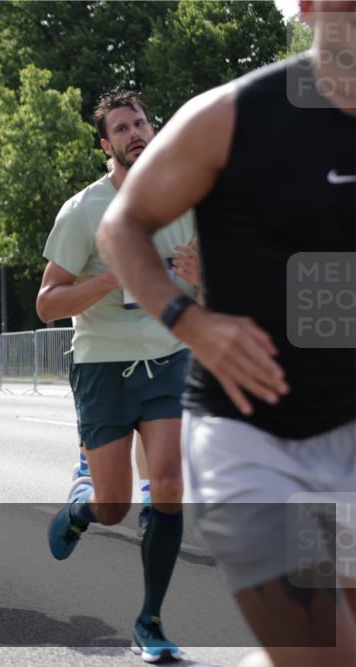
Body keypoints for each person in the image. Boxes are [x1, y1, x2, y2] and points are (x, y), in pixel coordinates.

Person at [98, 3, 355, 665]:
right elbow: (122, 225)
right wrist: (192, 321)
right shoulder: (234, 115)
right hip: (256, 444)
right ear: (306, 6)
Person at [37, 90, 197, 662]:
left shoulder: (183, 196)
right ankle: (83, 507)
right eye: (122, 128)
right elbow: (48, 303)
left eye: (141, 123)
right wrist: (110, 276)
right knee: (114, 507)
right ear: (106, 144)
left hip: (168, 357)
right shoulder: (83, 209)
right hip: (102, 363)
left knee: (172, 491)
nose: (135, 133)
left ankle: (150, 621)